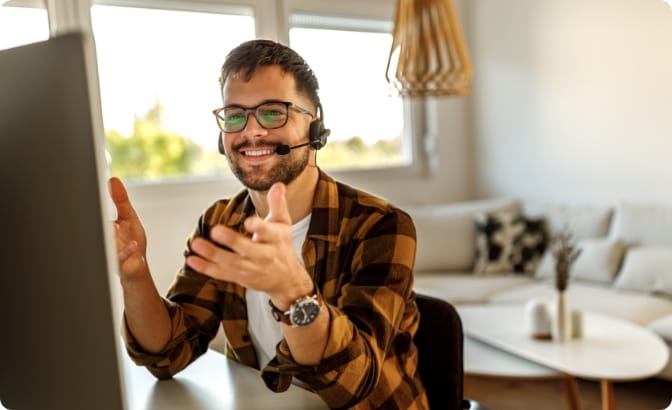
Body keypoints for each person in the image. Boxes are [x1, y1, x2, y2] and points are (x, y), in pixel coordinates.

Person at [109, 39, 429, 410]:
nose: (252, 132)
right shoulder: (221, 222)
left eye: (273, 112)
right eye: (235, 115)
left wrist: (293, 293)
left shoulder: (380, 225)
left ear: (315, 126)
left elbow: (352, 383)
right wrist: (135, 273)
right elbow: (167, 355)